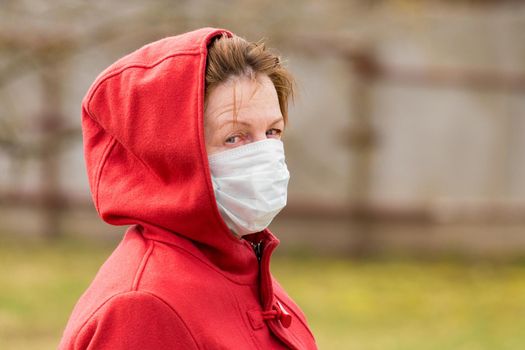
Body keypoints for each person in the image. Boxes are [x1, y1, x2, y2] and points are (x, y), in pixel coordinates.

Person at [59, 27, 318, 349]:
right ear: (170, 155)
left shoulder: (245, 268)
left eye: (272, 131)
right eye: (234, 137)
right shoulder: (142, 306)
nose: (264, 153)